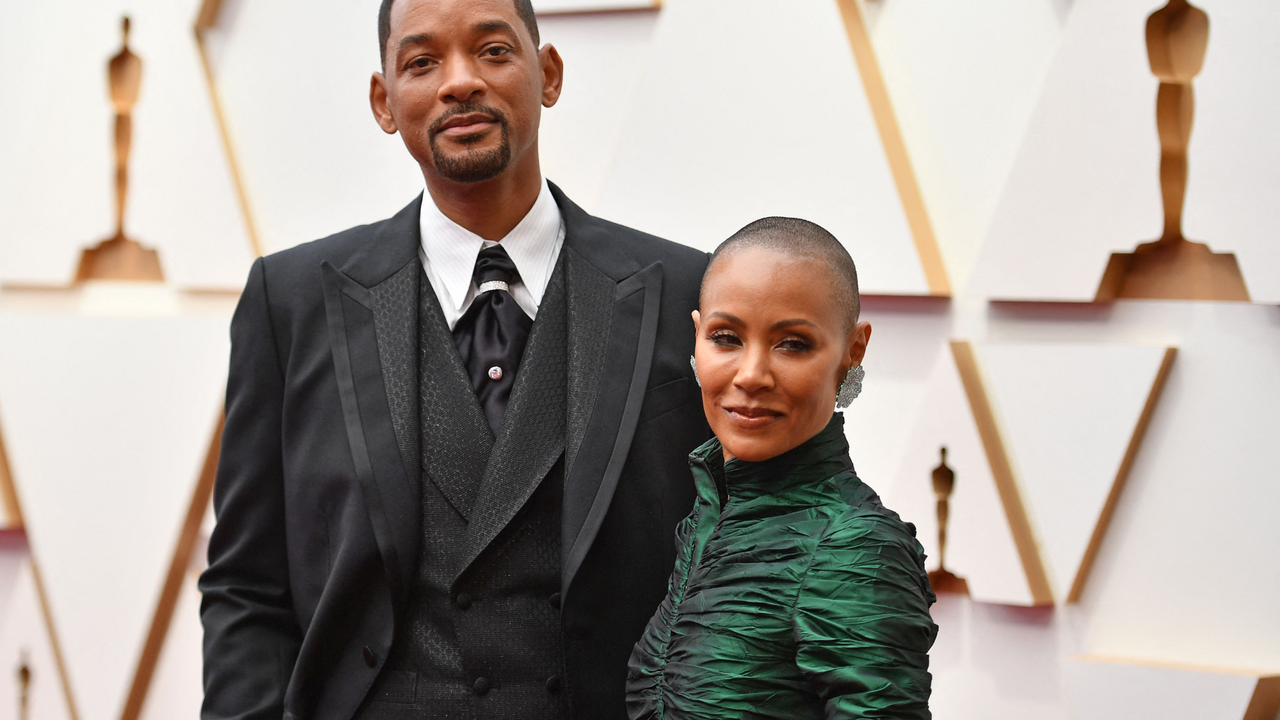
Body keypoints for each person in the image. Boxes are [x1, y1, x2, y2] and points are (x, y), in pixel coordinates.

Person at [198, 0, 710, 718]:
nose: (460, 81)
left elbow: (742, 558)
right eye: (421, 62)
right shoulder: (290, 303)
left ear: (549, 73)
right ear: (383, 100)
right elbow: (247, 586)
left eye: (493, 51)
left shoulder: (687, 291)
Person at [627, 218, 937, 719]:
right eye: (725, 337)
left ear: (853, 350)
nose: (751, 375)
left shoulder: (854, 545)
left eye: (793, 344)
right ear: (696, 337)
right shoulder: (706, 522)